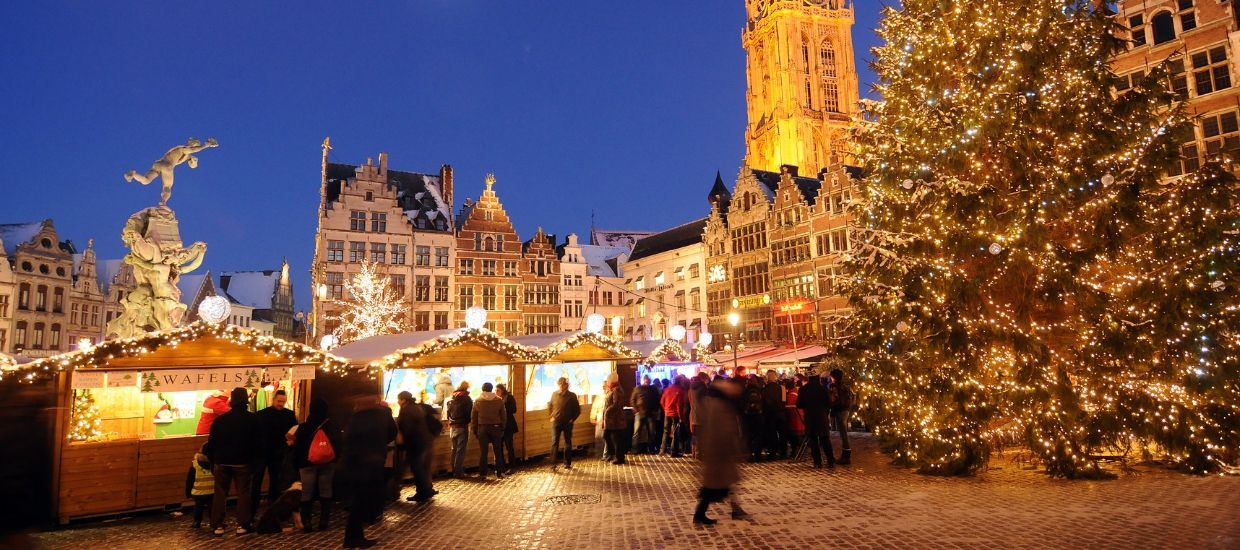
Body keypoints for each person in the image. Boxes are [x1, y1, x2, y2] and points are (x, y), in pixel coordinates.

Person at [343, 396, 397, 549]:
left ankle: (354, 536)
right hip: (371, 463)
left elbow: (348, 439)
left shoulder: (355, 417)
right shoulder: (381, 414)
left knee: (358, 501)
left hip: (356, 464)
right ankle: (353, 537)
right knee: (362, 500)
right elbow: (392, 432)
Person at [693, 378, 748, 525]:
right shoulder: (719, 407)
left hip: (717, 453)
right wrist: (734, 447)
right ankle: (700, 514)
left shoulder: (711, 404)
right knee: (715, 486)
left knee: (723, 484)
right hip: (720, 453)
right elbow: (724, 430)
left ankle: (735, 509)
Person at [207, 388, 259, 536]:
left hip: (222, 462)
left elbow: (211, 444)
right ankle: (242, 525)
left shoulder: (220, 420)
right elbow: (258, 443)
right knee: (243, 493)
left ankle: (218, 526)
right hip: (243, 462)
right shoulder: (253, 419)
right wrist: (256, 462)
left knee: (220, 493)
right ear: (246, 402)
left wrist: (213, 460)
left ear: (232, 402)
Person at [292, 397, 341, 533]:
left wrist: (297, 464)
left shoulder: (303, 427)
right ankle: (323, 522)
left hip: (307, 464)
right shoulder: (332, 426)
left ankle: (307, 522)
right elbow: (338, 444)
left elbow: (298, 448)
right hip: (328, 463)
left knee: (306, 492)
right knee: (326, 490)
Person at [252, 389, 298, 507]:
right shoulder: (261, 414)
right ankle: (254, 504)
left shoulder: (289, 414)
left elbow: (294, 432)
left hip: (278, 452)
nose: (280, 404)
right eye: (279, 401)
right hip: (262, 452)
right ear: (273, 399)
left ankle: (272, 504)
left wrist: (290, 443)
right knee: (257, 481)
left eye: (283, 401)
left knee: (275, 480)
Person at [396, 392, 436, 503]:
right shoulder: (417, 407)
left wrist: (403, 443)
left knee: (417, 468)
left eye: (398, 399)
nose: (397, 402)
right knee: (418, 467)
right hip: (422, 440)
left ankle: (424, 492)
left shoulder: (406, 410)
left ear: (403, 400)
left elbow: (407, 428)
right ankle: (426, 490)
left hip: (415, 442)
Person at [795, 374, 835, 468]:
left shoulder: (803, 389)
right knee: (825, 440)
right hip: (822, 417)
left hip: (810, 417)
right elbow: (829, 403)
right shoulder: (823, 389)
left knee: (813, 441)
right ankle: (830, 461)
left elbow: (799, 404)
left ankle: (817, 462)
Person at [470, 382, 507, 479]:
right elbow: (503, 415)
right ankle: (499, 472)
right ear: (491, 389)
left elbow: (473, 417)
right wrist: (502, 427)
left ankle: (483, 473)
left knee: (483, 451)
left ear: (482, 389)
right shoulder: (499, 400)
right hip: (496, 427)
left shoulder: (477, 401)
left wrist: (474, 429)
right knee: (498, 450)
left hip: (482, 428)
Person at [547, 377, 581, 470]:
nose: (561, 386)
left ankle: (567, 463)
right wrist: (551, 416)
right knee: (554, 442)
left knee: (568, 442)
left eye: (563, 384)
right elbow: (550, 406)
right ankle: (553, 463)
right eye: (560, 384)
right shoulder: (554, 394)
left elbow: (577, 410)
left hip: (567, 423)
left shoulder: (572, 396)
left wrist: (572, 419)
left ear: (567, 385)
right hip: (556, 422)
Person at [445, 381, 473, 477]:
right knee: (460, 450)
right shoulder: (467, 399)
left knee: (454, 449)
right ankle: (458, 472)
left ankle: (453, 469)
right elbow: (470, 413)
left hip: (452, 426)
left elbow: (448, 413)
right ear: (467, 388)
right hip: (462, 426)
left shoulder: (450, 398)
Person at [184, 444, 214, 529]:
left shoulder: (195, 464)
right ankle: (213, 522)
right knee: (212, 507)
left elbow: (190, 479)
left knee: (198, 507)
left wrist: (188, 492)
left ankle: (197, 522)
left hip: (198, 492)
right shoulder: (214, 463)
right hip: (212, 491)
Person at [601, 374, 628, 465]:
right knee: (607, 436)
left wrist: (607, 411)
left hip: (615, 420)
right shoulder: (612, 390)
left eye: (608, 382)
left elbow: (616, 404)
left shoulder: (616, 390)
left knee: (616, 439)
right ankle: (612, 454)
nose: (607, 383)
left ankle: (619, 457)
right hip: (611, 420)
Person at [829, 368, 853, 465]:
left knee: (843, 433)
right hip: (846, 410)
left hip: (839, 410)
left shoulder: (834, 386)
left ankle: (846, 456)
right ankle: (846, 454)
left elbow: (833, 399)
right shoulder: (846, 386)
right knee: (843, 432)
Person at [630, 375, 659, 454]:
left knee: (651, 431)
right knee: (637, 432)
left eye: (648, 380)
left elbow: (656, 400)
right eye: (646, 380)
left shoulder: (652, 389)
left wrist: (655, 410)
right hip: (640, 413)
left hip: (648, 413)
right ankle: (635, 449)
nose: (647, 381)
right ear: (644, 380)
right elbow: (632, 400)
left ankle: (651, 449)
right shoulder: (638, 388)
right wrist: (636, 411)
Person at [659, 375, 687, 457]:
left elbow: (662, 401)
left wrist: (666, 409)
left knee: (665, 431)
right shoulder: (680, 390)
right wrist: (681, 417)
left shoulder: (667, 389)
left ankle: (662, 450)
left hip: (667, 413)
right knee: (675, 433)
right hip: (675, 414)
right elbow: (679, 405)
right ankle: (673, 451)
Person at [762, 370, 786, 459]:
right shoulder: (782, 388)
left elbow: (763, 403)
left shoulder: (764, 389)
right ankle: (783, 452)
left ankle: (773, 452)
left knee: (772, 434)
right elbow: (784, 401)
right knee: (782, 433)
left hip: (770, 414)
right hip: (781, 414)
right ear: (775, 377)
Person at [496, 384, 519, 474]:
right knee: (499, 446)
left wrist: (503, 408)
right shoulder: (496, 399)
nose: (496, 392)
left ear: (502, 390)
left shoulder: (509, 397)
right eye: (495, 390)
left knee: (509, 446)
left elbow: (514, 410)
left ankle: (512, 466)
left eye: (498, 390)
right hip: (499, 425)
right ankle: (502, 466)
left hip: (508, 425)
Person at [742, 376, 765, 462]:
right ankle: (757, 454)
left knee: (749, 435)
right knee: (758, 435)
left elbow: (741, 402)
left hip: (748, 415)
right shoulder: (760, 390)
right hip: (758, 415)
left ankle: (750, 454)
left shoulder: (745, 391)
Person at [687, 372, 709, 456]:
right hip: (702, 414)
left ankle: (694, 452)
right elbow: (706, 402)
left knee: (695, 434)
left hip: (693, 414)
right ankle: (700, 452)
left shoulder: (690, 389)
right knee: (702, 434)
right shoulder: (703, 388)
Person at [783, 379, 804, 460]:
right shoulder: (797, 392)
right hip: (800, 418)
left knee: (794, 437)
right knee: (798, 436)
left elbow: (789, 409)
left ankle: (797, 452)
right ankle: (799, 451)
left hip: (794, 420)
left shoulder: (790, 396)